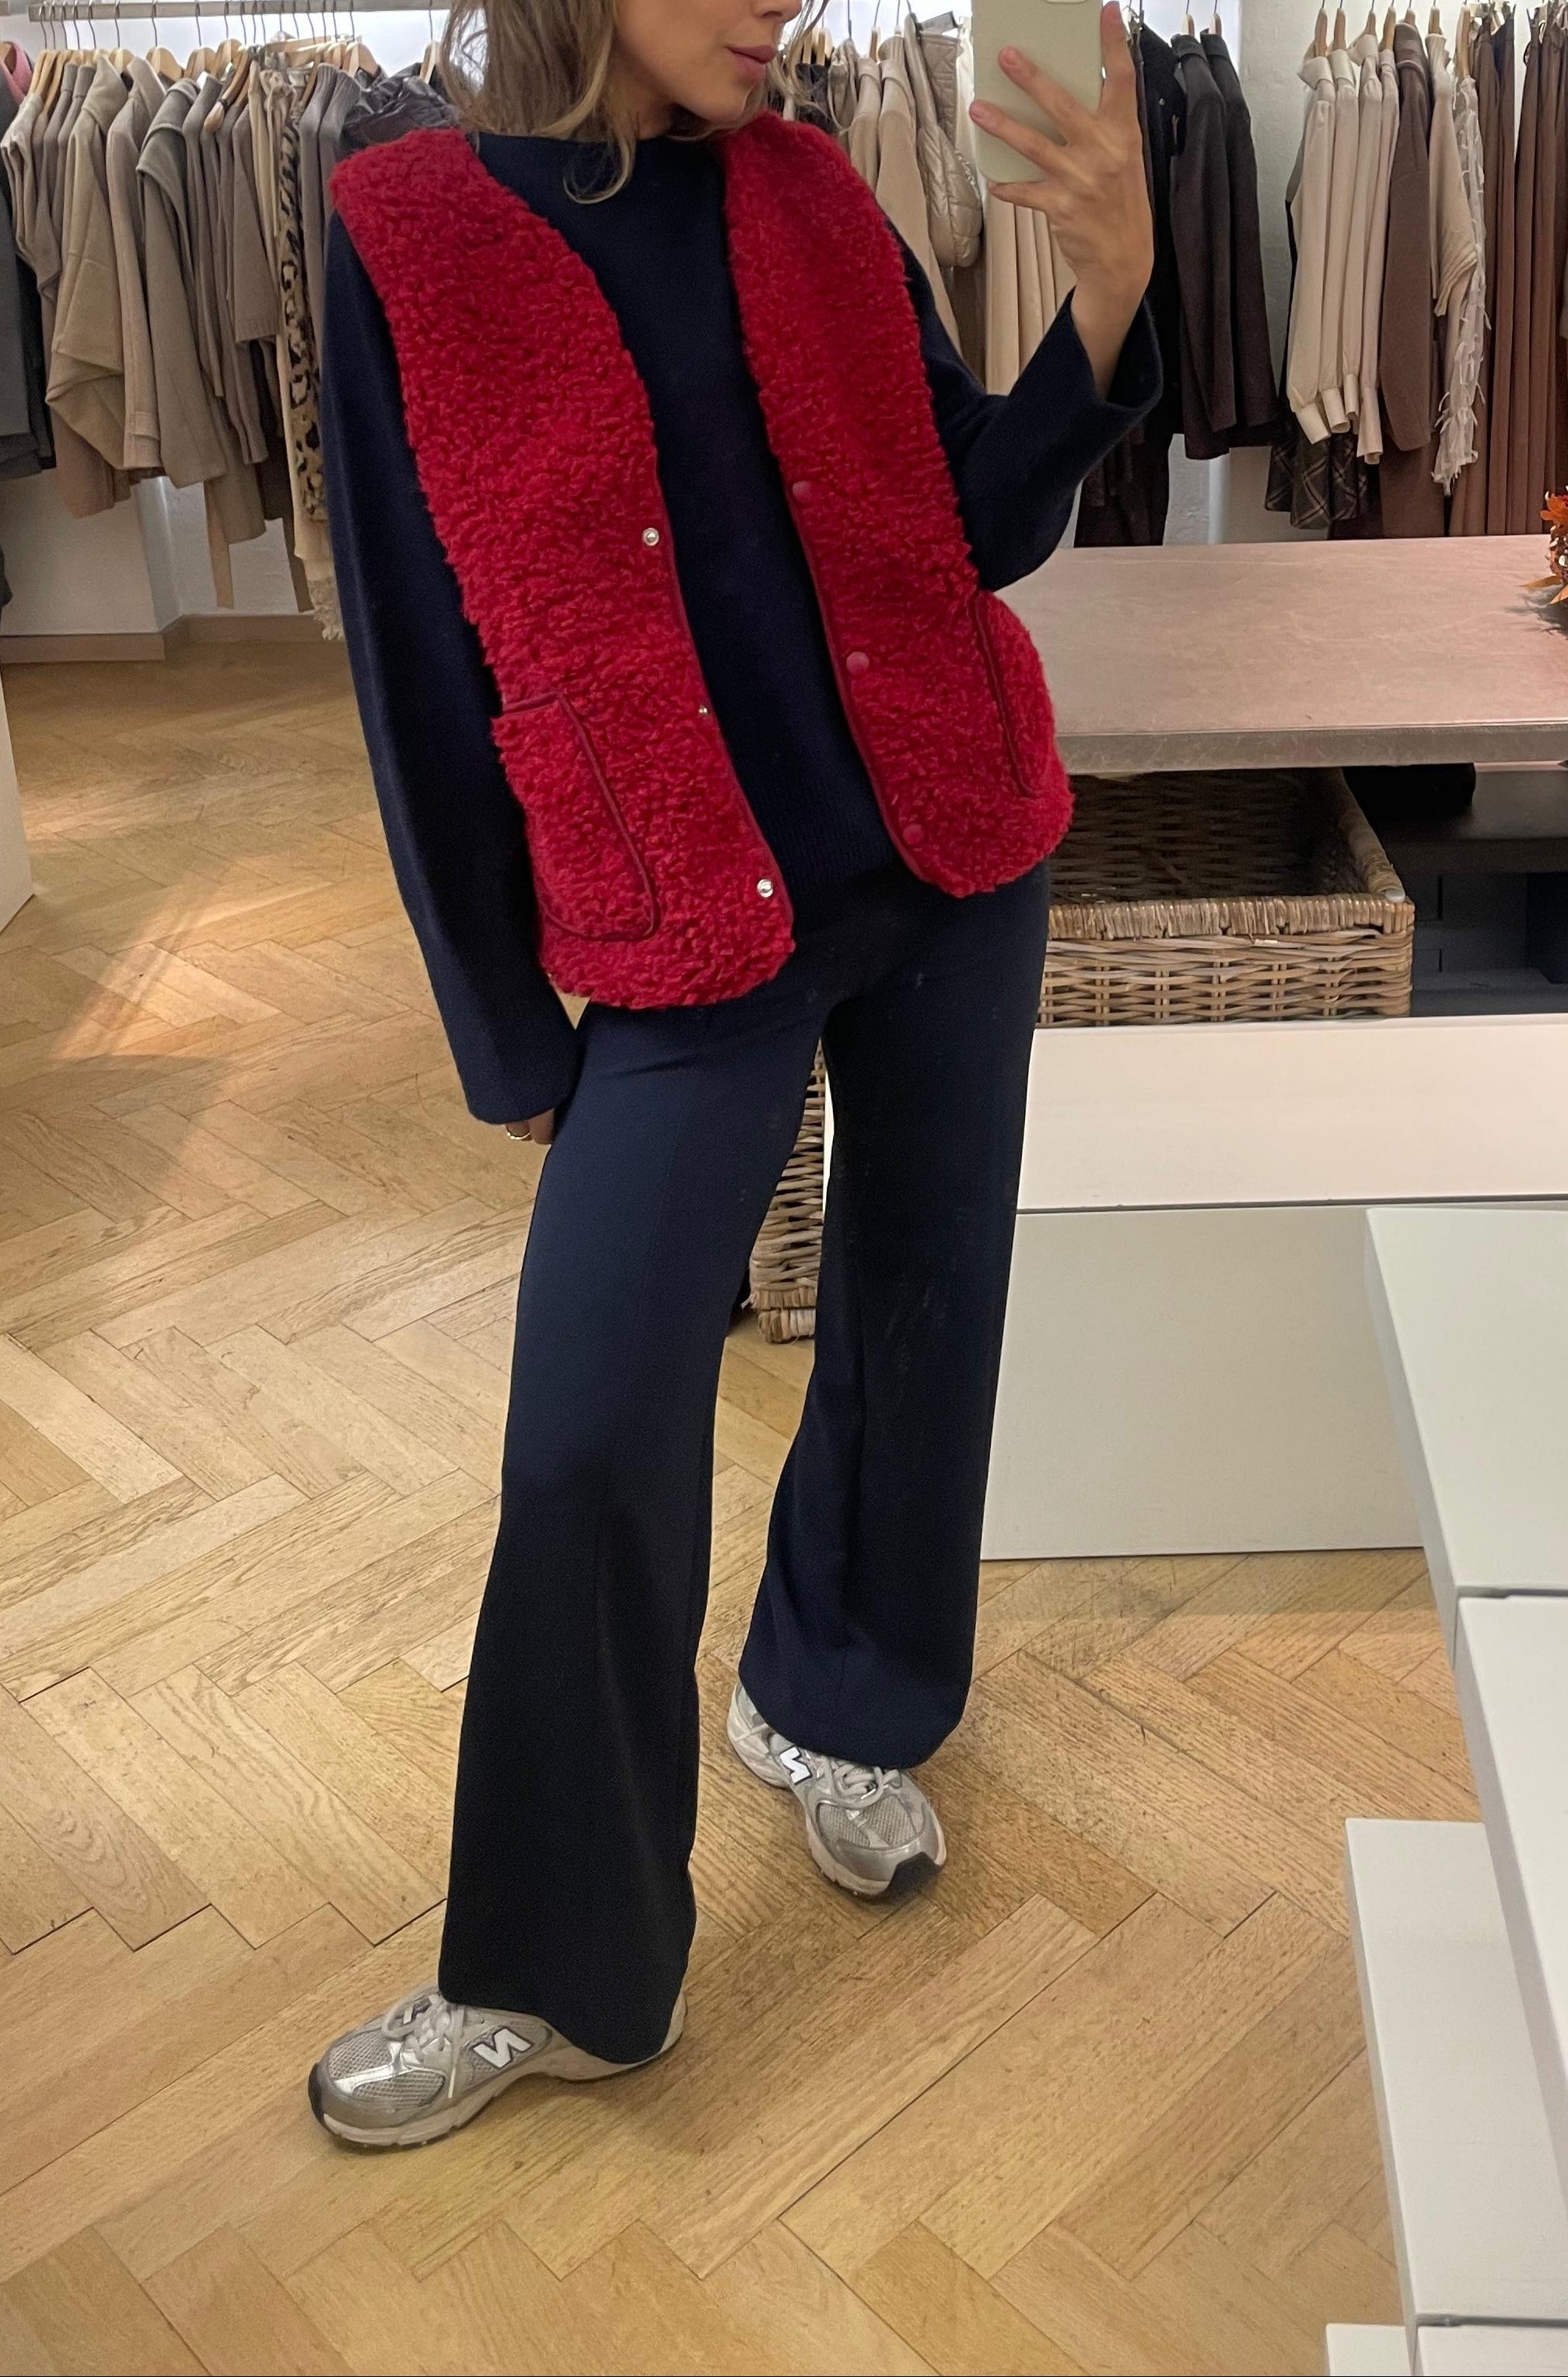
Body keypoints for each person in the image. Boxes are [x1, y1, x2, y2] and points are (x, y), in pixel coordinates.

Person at [310, 0, 1156, 2148]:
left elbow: (968, 526)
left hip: (949, 851)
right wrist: (504, 1021)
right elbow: (415, 659)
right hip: (680, 910)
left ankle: (838, 1698)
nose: (782, 2)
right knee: (592, 1428)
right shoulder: (407, 230)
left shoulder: (807, 190)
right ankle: (558, 1969)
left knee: (924, 1301)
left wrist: (1107, 294)